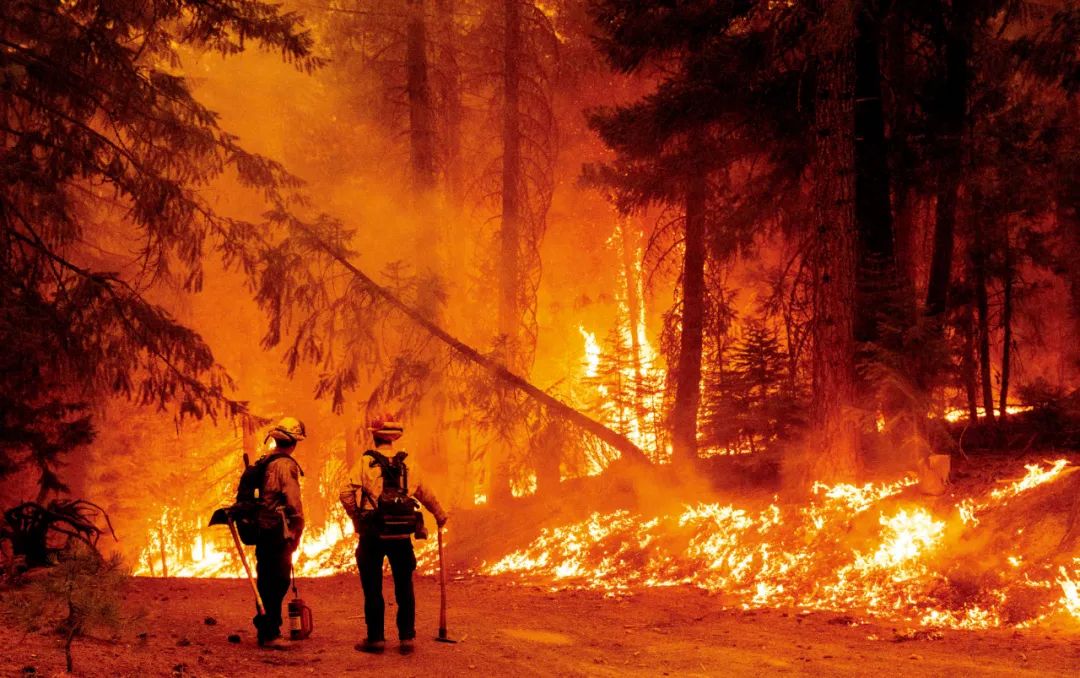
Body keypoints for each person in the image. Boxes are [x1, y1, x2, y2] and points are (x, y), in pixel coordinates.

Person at [339, 417, 448, 655]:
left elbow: (345, 492)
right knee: (404, 586)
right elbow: (425, 493)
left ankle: (376, 639)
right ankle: (406, 639)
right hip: (401, 535)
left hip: (373, 534)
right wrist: (439, 514)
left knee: (372, 587)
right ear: (395, 438)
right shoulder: (409, 464)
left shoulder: (365, 462)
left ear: (375, 437)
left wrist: (357, 518)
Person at [254, 416, 306, 649]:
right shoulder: (286, 465)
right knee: (279, 580)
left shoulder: (266, 460)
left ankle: (266, 629)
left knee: (265, 580)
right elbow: (293, 501)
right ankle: (270, 631)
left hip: (263, 528)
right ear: (293, 443)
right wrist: (298, 528)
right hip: (278, 530)